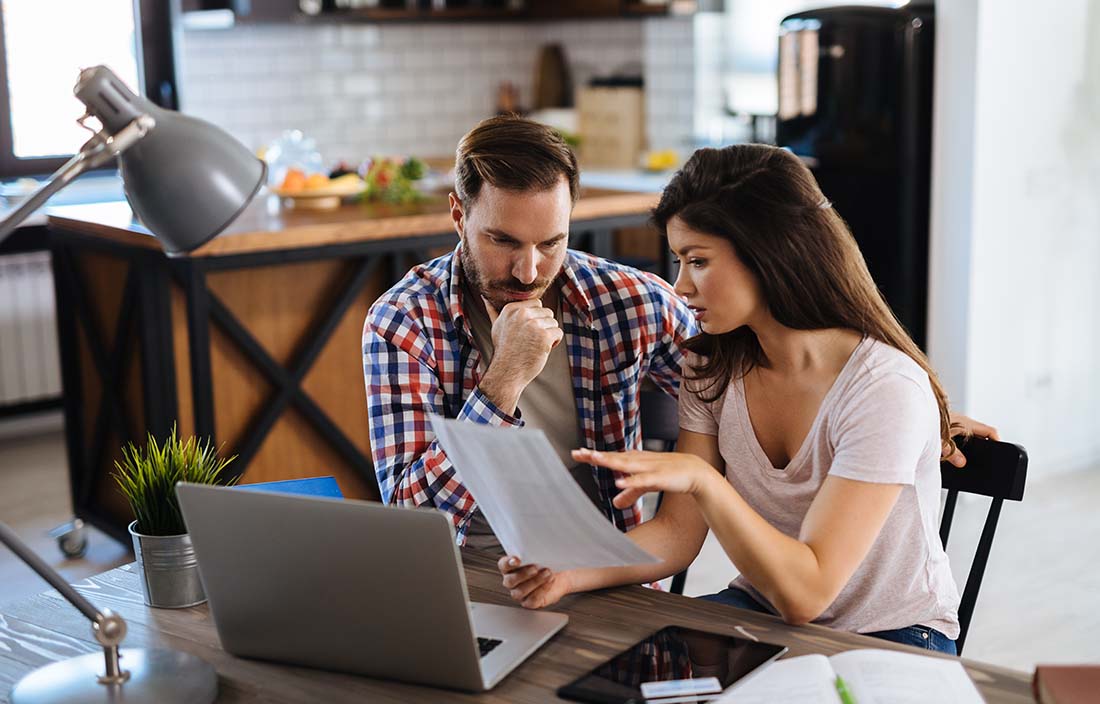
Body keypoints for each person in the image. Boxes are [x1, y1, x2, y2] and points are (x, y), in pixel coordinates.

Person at [497, 144, 1000, 655]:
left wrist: (703, 481)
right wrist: (566, 569)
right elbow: (676, 535)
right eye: (678, 261)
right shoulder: (712, 366)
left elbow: (807, 593)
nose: (681, 285)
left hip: (892, 636)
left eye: (698, 261)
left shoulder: (885, 389)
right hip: (762, 610)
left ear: (769, 253)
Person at [362, 115, 696, 551]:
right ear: (459, 216)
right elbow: (413, 521)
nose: (529, 271)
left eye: (551, 243)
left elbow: (734, 405)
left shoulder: (631, 301)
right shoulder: (404, 321)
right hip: (467, 573)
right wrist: (502, 382)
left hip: (608, 571)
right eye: (503, 241)